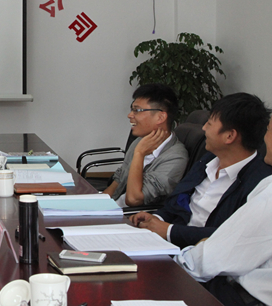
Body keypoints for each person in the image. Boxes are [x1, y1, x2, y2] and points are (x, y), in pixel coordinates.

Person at [131, 93, 272, 248]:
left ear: (229, 136)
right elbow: (176, 202)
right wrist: (157, 218)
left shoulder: (260, 183)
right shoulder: (208, 160)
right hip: (168, 244)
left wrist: (170, 231)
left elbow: (231, 236)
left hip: (200, 255)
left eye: (209, 124)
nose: (203, 128)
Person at [175, 114, 272, 306]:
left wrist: (182, 258)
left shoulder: (268, 192)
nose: (265, 137)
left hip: (241, 297)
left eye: (269, 130)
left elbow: (210, 260)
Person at [103, 83, 188, 207]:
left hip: (130, 215)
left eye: (137, 110)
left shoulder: (176, 157)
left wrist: (139, 154)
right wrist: (100, 202)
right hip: (112, 208)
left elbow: (133, 200)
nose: (130, 115)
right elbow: (120, 178)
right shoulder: (140, 141)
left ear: (160, 117)